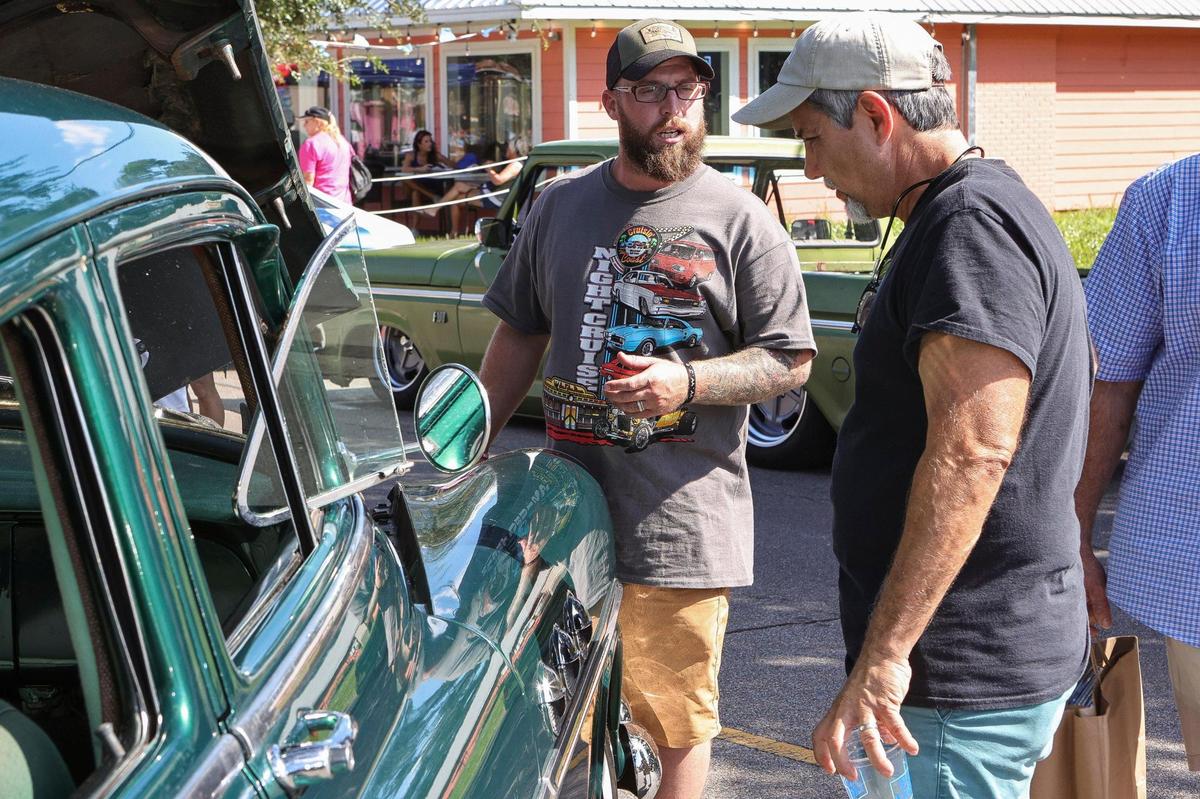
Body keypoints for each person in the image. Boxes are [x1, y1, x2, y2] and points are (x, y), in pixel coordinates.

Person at [734, 12, 1093, 797]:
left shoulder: (969, 226)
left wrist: (887, 654)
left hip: (958, 676)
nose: (810, 166)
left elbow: (974, 450)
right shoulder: (961, 211)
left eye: (811, 137)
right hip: (962, 668)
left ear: (874, 113)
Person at [479, 19, 816, 799]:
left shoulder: (741, 222)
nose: (673, 108)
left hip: (679, 528)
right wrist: (468, 442)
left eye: (688, 90)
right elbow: (519, 333)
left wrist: (688, 384)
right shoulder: (559, 209)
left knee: (672, 729)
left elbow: (790, 359)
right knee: (563, 725)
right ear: (611, 102)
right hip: (562, 520)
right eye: (651, 90)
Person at [1074, 153, 1200, 773]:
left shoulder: (1171, 200)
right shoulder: (1168, 202)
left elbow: (1108, 383)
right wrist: (1071, 532)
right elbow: (1106, 383)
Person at [438, 136, 530, 234]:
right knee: (459, 186)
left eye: (508, 147)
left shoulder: (515, 164)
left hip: (497, 197)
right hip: (493, 193)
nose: (506, 149)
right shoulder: (518, 163)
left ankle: (453, 232)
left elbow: (498, 180)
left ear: (514, 150)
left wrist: (488, 168)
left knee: (455, 201)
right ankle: (435, 209)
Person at [297, 106, 353, 203]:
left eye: (307, 121)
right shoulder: (343, 142)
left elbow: (308, 180)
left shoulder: (311, 144)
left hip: (322, 205)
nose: (304, 126)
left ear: (318, 122)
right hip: (345, 204)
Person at [399, 129, 449, 206]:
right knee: (406, 179)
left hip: (430, 186)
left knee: (415, 193)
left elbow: (454, 166)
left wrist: (442, 159)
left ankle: (415, 218)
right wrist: (419, 169)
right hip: (414, 186)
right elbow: (404, 169)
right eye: (426, 141)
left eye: (430, 141)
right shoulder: (411, 155)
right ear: (419, 144)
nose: (430, 144)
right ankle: (432, 196)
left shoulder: (435, 155)